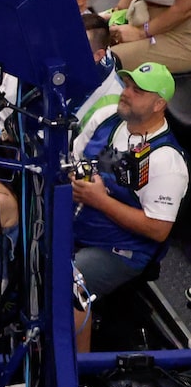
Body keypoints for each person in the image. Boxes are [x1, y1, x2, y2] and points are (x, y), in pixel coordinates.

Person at [69, 60, 186, 305]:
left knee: (66, 284)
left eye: (138, 91)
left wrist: (99, 201)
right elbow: (73, 159)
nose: (126, 93)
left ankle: (72, 343)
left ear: (159, 104)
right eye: (128, 85)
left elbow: (158, 229)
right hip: (77, 222)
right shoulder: (106, 117)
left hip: (120, 250)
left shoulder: (167, 161)